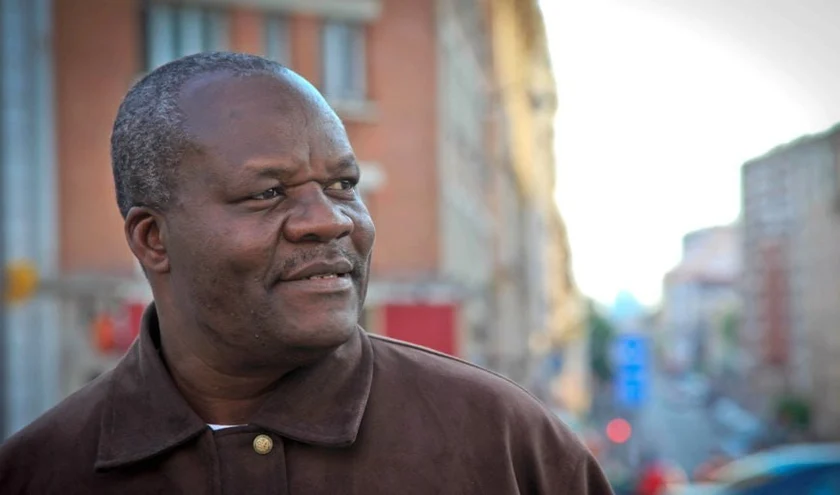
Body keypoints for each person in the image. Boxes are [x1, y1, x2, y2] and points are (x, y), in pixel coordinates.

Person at [0, 52, 614, 494]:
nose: (329, 220)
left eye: (343, 184)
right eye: (268, 193)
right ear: (152, 238)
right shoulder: (40, 471)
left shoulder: (502, 440)